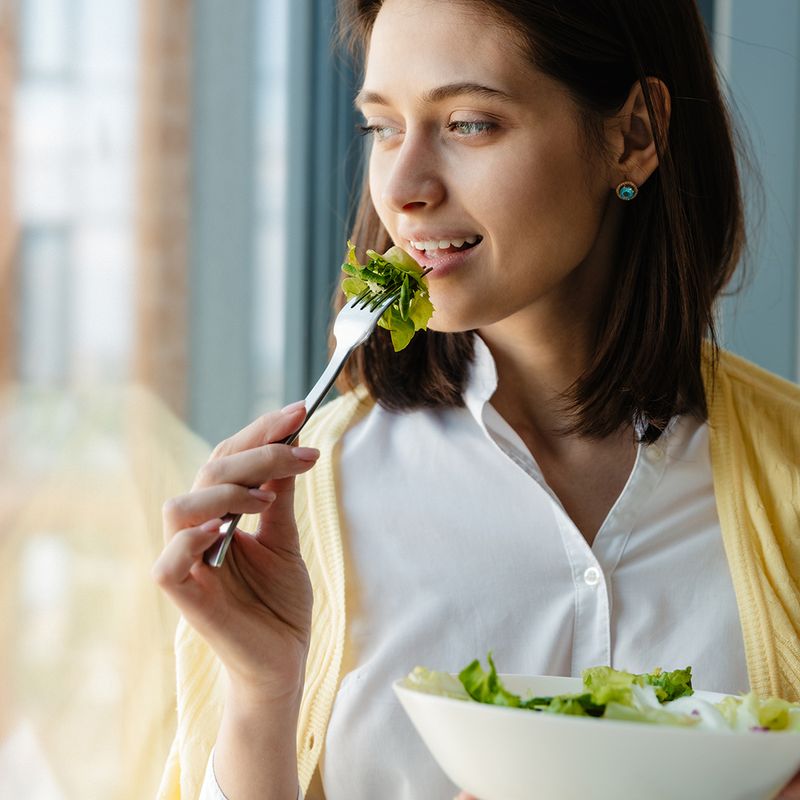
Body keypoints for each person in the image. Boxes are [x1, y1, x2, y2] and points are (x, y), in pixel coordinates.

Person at [152, 0, 800, 798]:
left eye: (468, 123)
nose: (403, 187)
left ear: (633, 135)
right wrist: (261, 689)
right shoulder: (297, 509)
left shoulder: (789, 472)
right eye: (382, 127)